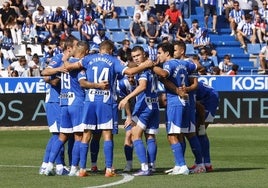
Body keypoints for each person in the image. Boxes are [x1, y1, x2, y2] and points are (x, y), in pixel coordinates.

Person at [63, 40, 153, 177]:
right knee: (107, 135)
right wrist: (145, 65)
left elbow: (70, 67)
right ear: (111, 50)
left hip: (89, 100)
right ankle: (109, 169)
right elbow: (130, 71)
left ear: (100, 49)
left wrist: (65, 59)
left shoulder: (88, 59)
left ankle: (82, 169)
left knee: (86, 135)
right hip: (106, 101)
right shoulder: (113, 60)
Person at [42, 37, 86, 176]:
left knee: (66, 136)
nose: (78, 49)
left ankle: (56, 165)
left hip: (64, 101)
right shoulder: (62, 59)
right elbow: (45, 74)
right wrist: (59, 70)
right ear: (69, 48)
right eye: (76, 46)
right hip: (62, 101)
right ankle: (59, 166)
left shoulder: (71, 61)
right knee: (61, 135)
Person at [151, 42, 195, 175]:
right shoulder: (182, 63)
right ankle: (178, 164)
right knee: (179, 134)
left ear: (167, 53)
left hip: (175, 101)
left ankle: (182, 165)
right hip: (183, 100)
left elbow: (164, 74)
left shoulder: (169, 64)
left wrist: (152, 66)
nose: (158, 56)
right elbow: (194, 66)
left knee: (172, 135)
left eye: (159, 53)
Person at [118, 46, 159, 176]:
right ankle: (152, 166)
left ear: (144, 55)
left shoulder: (143, 71)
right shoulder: (151, 68)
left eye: (138, 55)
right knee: (150, 136)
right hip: (154, 105)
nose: (136, 58)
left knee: (134, 135)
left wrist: (127, 98)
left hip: (145, 106)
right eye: (134, 56)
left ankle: (144, 167)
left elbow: (142, 86)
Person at [195, 81, 219, 172]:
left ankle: (203, 164)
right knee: (199, 132)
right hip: (205, 97)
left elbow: (200, 107)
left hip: (210, 99)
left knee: (199, 131)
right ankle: (205, 163)